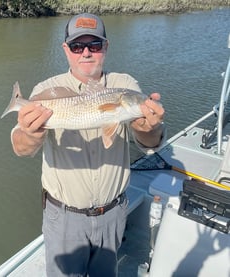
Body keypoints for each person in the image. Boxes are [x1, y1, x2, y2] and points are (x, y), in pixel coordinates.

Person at [11, 13, 165, 277]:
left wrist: (150, 127)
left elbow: (149, 141)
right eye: (77, 46)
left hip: (113, 214)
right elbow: (21, 147)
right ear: (66, 50)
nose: (86, 53)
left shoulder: (124, 85)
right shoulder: (47, 90)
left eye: (94, 45)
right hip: (64, 219)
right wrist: (31, 132)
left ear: (105, 47)